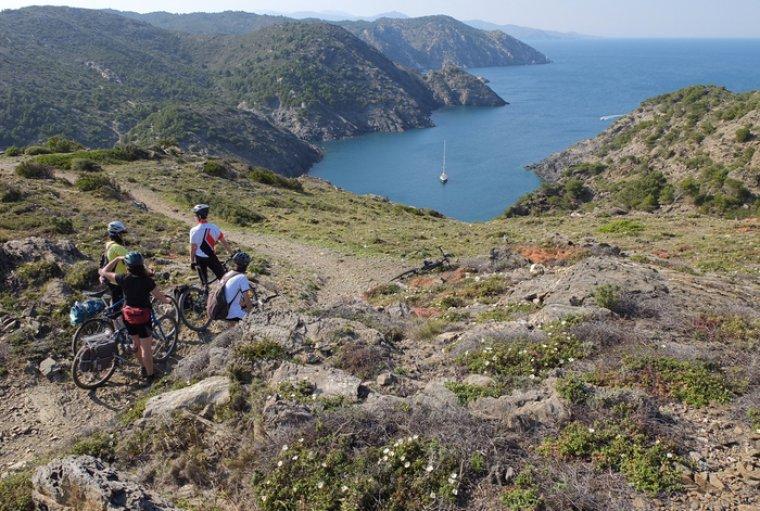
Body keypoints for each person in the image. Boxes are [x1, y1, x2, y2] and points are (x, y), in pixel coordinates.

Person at [99, 252, 172, 382]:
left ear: (128, 267)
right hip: (143, 319)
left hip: (128, 317)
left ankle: (143, 367)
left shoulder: (123, 278)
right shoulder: (147, 281)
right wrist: (167, 301)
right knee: (146, 350)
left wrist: (116, 259)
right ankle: (150, 376)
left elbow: (103, 271)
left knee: (136, 344)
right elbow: (158, 296)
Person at [189, 204, 231, 287]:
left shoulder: (193, 230)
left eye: (195, 215)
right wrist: (232, 253)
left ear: (199, 216)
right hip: (211, 257)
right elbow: (224, 242)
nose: (194, 217)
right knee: (223, 279)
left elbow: (193, 248)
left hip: (199, 259)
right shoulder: (214, 228)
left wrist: (192, 261)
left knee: (204, 284)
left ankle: (205, 295)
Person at [102, 221, 129, 306]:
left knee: (117, 301)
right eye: (121, 234)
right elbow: (132, 259)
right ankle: (114, 317)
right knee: (119, 305)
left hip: (111, 278)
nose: (122, 236)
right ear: (116, 235)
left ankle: (113, 315)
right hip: (118, 279)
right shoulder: (117, 247)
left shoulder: (109, 245)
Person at [224, 252, 255, 322]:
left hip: (221, 308)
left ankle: (232, 328)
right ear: (246, 265)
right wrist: (253, 313)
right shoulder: (242, 277)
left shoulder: (229, 273)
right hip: (230, 313)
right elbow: (247, 300)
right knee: (253, 320)